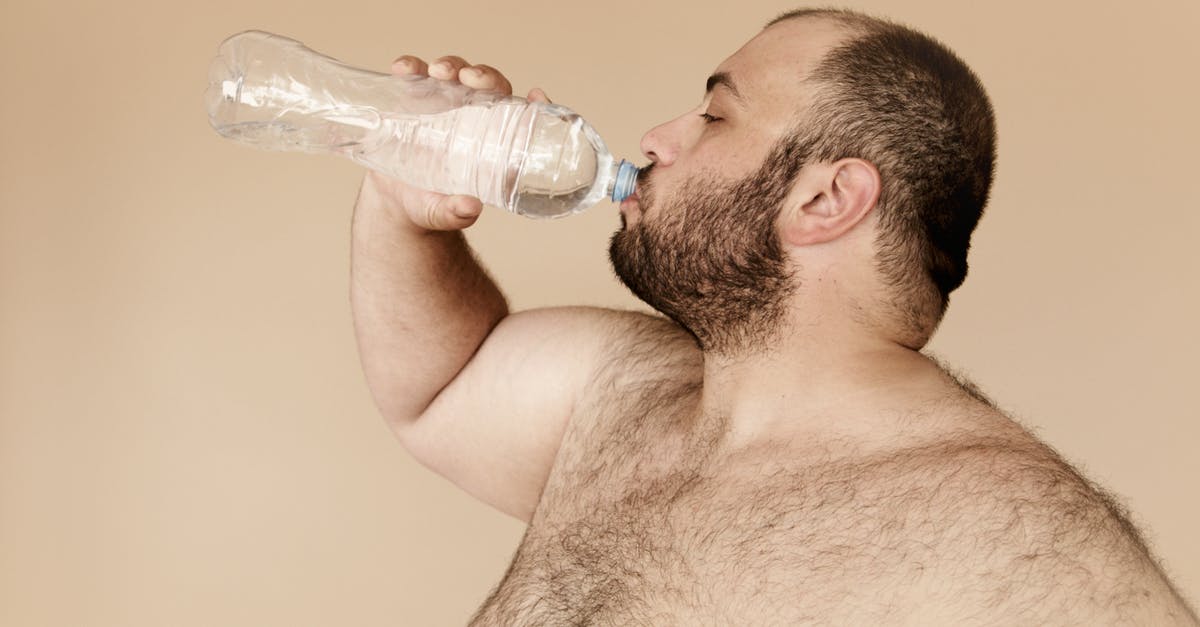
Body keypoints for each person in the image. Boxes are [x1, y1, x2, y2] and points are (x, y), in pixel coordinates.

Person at [348, 8, 1198, 624]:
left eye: (715, 114)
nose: (659, 136)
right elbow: (437, 387)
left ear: (826, 198)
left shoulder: (1014, 543)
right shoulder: (626, 389)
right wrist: (401, 198)